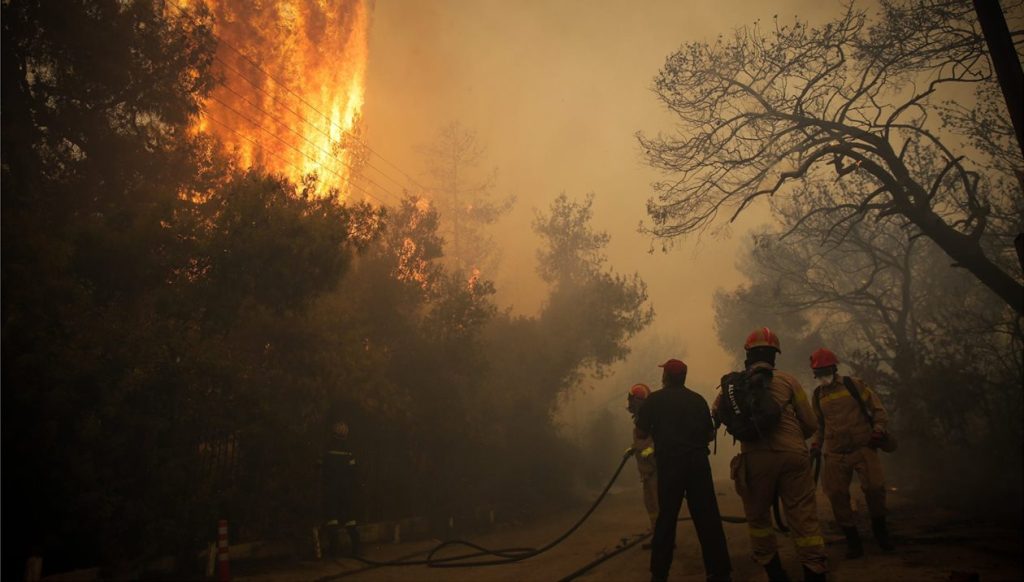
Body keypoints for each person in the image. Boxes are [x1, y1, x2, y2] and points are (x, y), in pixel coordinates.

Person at [713, 328, 827, 582]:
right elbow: (810, 423)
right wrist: (796, 438)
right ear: (774, 355)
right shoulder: (789, 381)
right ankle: (814, 572)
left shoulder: (733, 386)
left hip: (755, 459)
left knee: (758, 518)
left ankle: (774, 573)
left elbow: (718, 415)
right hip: (793, 456)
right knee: (803, 516)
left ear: (748, 354)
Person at [635, 359, 732, 582]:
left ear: (665, 377)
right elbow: (709, 435)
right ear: (684, 377)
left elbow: (640, 434)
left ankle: (659, 575)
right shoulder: (697, 400)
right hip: (698, 465)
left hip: (670, 467)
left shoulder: (655, 400)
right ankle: (720, 573)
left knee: (666, 520)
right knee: (708, 518)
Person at [808, 348, 894, 558]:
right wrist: (816, 444)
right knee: (836, 495)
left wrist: (878, 429)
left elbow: (878, 409)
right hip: (835, 453)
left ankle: (880, 532)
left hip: (863, 447)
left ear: (834, 368)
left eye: (825, 370)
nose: (822, 375)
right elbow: (819, 424)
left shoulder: (853, 385)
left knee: (875, 488)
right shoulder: (818, 395)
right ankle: (853, 541)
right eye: (818, 372)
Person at [320, 420, 361, 558]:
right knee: (350, 519)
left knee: (332, 519)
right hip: (346, 490)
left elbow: (320, 467)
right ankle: (356, 549)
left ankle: (333, 551)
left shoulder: (327, 449)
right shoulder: (349, 450)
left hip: (331, 488)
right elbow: (354, 471)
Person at [627, 383, 659, 546]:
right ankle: (657, 536)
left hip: (656, 471)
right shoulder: (640, 420)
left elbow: (658, 439)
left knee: (658, 505)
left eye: (633, 400)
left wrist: (649, 450)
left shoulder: (652, 417)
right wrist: (632, 449)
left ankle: (663, 539)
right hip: (647, 472)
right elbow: (641, 440)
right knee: (651, 505)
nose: (630, 404)